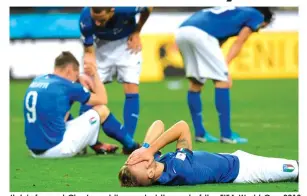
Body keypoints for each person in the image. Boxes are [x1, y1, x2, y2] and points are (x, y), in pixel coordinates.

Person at [175, 7, 274, 143]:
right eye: (261, 27)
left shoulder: (235, 13)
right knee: (223, 81)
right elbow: (239, 41)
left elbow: (218, 41)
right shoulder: (257, 15)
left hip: (182, 32)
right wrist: (225, 67)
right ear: (264, 19)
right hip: (202, 35)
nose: (257, 30)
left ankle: (200, 134)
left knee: (195, 82)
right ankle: (227, 135)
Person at [23, 51, 139, 158]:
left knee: (62, 115)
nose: (75, 79)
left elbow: (61, 112)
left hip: (34, 152)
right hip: (57, 149)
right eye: (75, 75)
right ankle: (132, 146)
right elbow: (102, 99)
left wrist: (78, 80)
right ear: (69, 70)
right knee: (101, 110)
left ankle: (95, 143)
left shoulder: (39, 80)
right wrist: (94, 74)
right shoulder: (65, 85)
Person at [119, 120, 299, 186]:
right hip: (244, 171)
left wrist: (144, 147)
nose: (136, 159)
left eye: (130, 160)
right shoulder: (177, 170)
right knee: (296, 169)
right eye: (136, 163)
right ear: (150, 173)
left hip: (231, 158)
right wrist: (149, 150)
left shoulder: (158, 164)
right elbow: (182, 127)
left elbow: (158, 123)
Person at [78, 7, 153, 147]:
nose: (98, 23)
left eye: (101, 19)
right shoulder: (85, 18)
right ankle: (83, 141)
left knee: (131, 87)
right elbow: (88, 49)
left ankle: (128, 142)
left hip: (127, 44)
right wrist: (90, 64)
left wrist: (137, 31)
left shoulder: (127, 7)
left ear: (112, 11)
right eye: (95, 19)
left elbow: (149, 7)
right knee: (91, 91)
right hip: (101, 46)